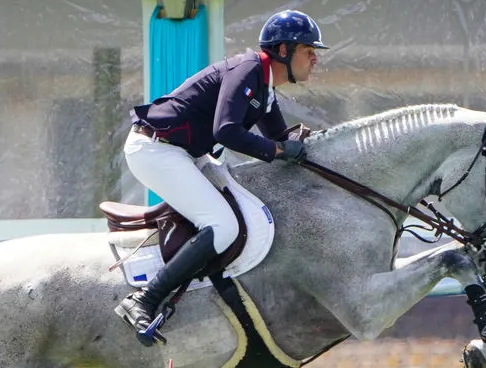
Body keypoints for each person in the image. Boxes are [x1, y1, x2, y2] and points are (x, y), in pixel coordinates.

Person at [113, 9, 326, 336]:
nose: (315, 59)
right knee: (223, 226)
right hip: (155, 149)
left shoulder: (265, 87)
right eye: (309, 51)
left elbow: (280, 139)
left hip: (183, 153)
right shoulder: (249, 70)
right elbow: (226, 130)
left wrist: (312, 148)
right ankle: (144, 299)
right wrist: (280, 151)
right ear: (283, 50)